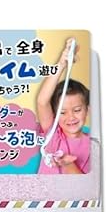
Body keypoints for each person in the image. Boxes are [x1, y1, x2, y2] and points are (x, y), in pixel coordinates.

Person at [37, 39, 90, 174]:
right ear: (55, 114)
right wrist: (61, 64)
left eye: (77, 110)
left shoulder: (92, 145)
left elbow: (86, 184)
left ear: (88, 109)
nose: (70, 117)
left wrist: (69, 164)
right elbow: (42, 101)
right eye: (62, 112)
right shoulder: (54, 134)